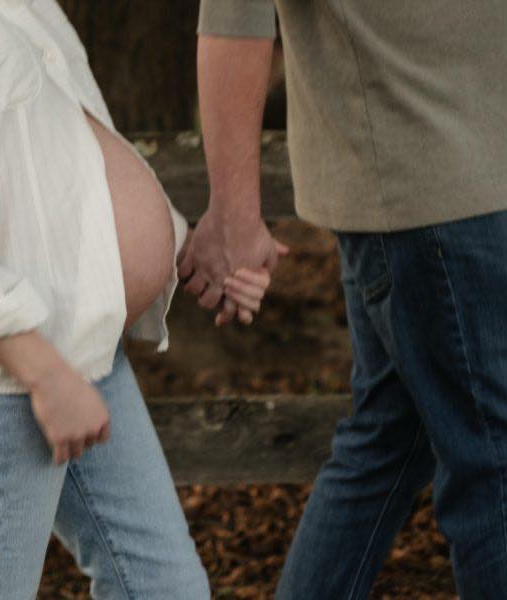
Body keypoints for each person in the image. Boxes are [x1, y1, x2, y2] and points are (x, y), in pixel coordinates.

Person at [0, 1, 270, 598]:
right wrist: (43, 371)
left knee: (164, 588)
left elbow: (54, 160)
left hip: (79, 349)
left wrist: (183, 245)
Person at [183, 1, 507, 598]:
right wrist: (234, 215)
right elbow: (235, 16)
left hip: (457, 178)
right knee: (494, 463)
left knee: (391, 439)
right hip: (432, 188)